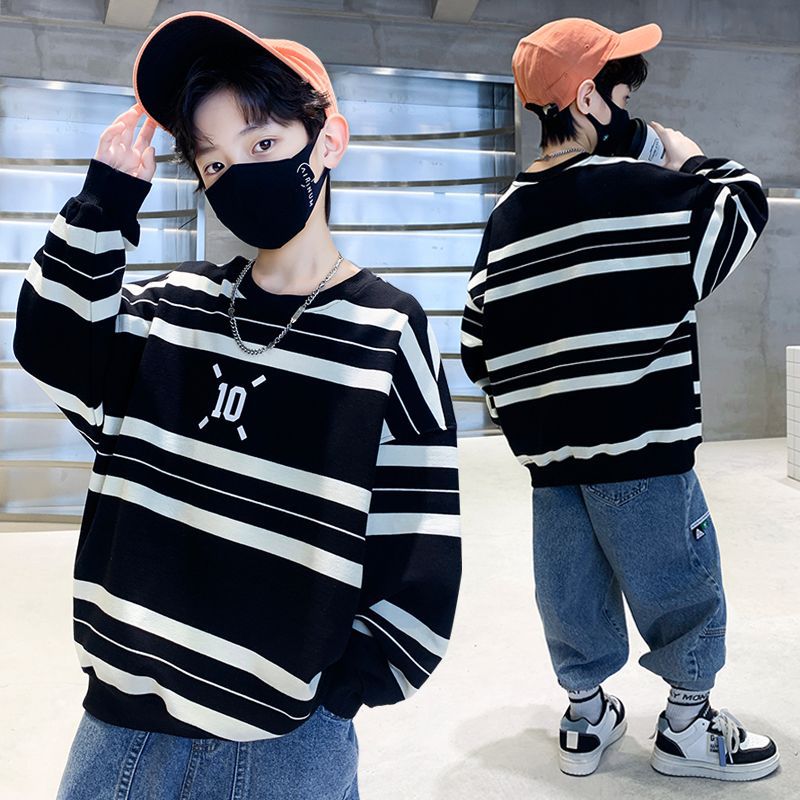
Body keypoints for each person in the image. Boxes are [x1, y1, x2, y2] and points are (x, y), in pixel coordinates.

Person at [14, 11, 461, 799]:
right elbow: (52, 348)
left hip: (289, 743)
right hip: (125, 732)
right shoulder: (171, 307)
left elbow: (417, 525)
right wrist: (104, 202)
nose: (238, 175)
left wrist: (348, 684)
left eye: (262, 144)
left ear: (328, 141)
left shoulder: (386, 329)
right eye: (215, 162)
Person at [460, 16, 778, 782]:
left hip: (552, 465)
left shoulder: (506, 217)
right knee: (680, 584)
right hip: (644, 452)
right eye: (621, 92)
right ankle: (689, 727)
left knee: (570, 593)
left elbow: (475, 346)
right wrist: (687, 156)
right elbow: (744, 203)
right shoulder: (646, 192)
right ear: (586, 98)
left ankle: (585, 716)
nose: (630, 105)